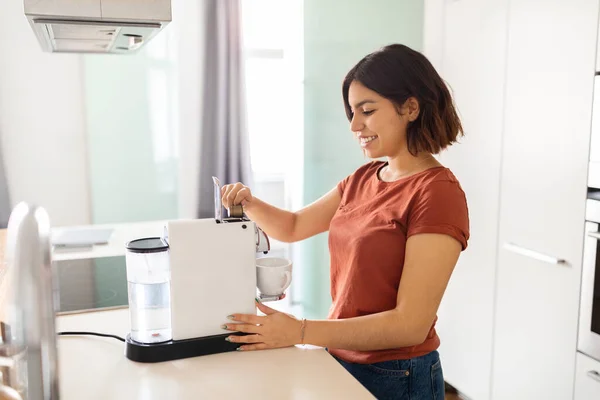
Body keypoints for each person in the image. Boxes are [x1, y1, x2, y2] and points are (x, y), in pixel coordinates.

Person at [219, 43, 470, 400]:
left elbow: (410, 326)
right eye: (352, 112)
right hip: (340, 359)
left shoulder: (437, 193)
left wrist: (300, 331)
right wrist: (249, 202)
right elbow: (292, 227)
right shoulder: (364, 178)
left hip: (398, 375)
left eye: (366, 110)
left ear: (410, 107)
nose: (354, 125)